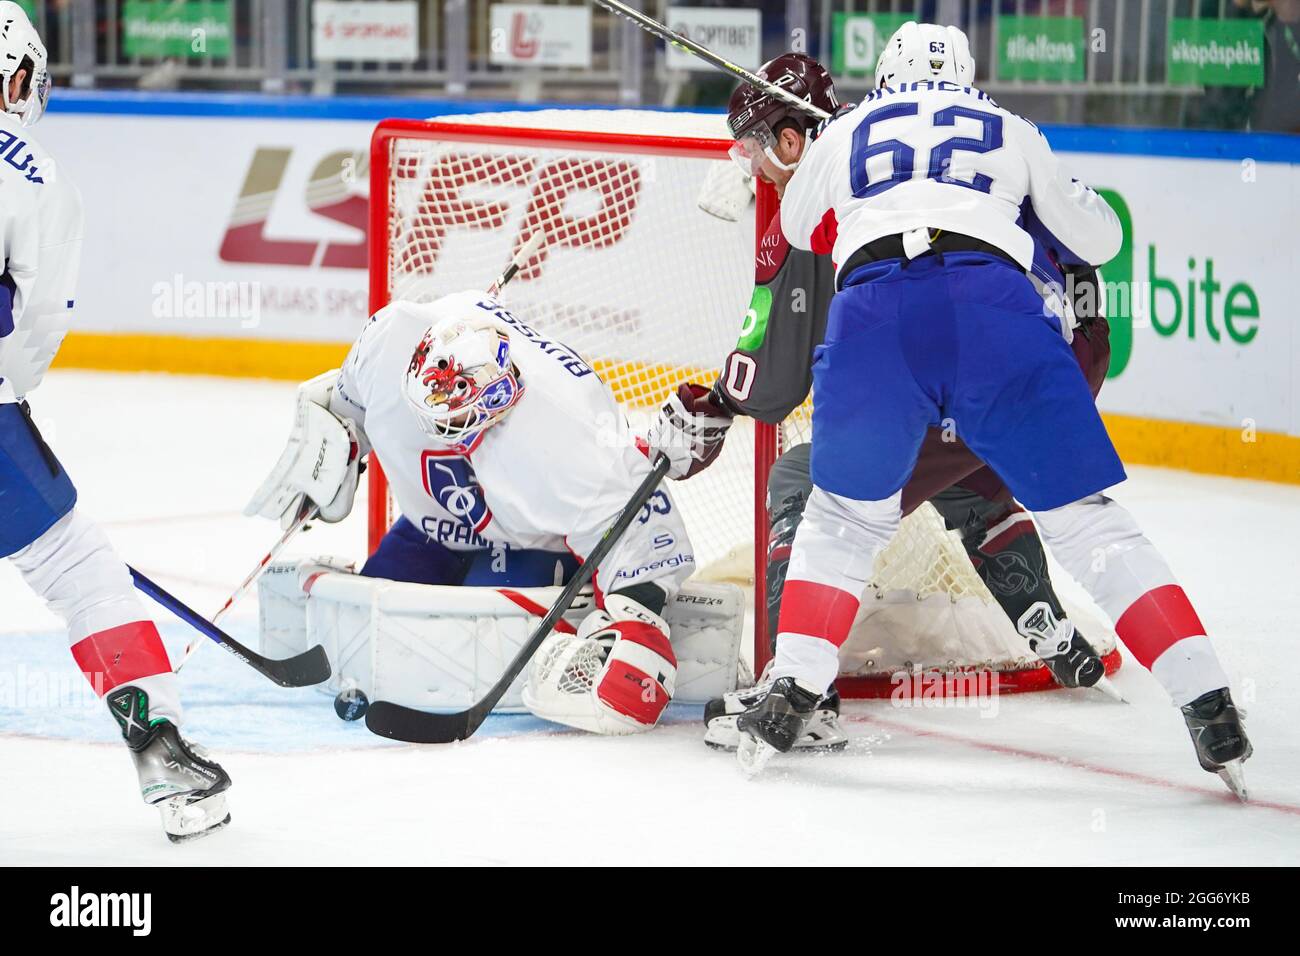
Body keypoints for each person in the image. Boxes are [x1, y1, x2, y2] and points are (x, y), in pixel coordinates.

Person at [680, 24, 1251, 795]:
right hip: (999, 316)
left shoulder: (845, 132)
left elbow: (794, 228)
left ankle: (794, 691)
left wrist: (801, 174)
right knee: (1090, 523)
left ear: (885, 78)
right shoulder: (1012, 129)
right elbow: (1102, 235)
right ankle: (1208, 699)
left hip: (877, 318)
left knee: (840, 520)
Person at [649, 52, 1118, 752]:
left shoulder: (827, 186)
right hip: (1056, 353)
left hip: (976, 347)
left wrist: (716, 399)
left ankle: (800, 689)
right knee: (962, 471)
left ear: (790, 139)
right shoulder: (927, 147)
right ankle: (1050, 631)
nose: (749, 166)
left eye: (754, 148)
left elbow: (774, 388)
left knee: (804, 482)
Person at [247, 290, 692, 735]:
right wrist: (333, 449)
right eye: (446, 426)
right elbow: (346, 407)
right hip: (431, 524)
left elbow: (640, 522)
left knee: (473, 639)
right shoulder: (387, 339)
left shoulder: (569, 438)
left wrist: (638, 615)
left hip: (525, 543)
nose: (459, 434)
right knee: (376, 612)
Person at [0, 2, 231, 842]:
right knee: (79, 569)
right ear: (14, 77)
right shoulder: (30, 176)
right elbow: (33, 330)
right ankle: (162, 753)